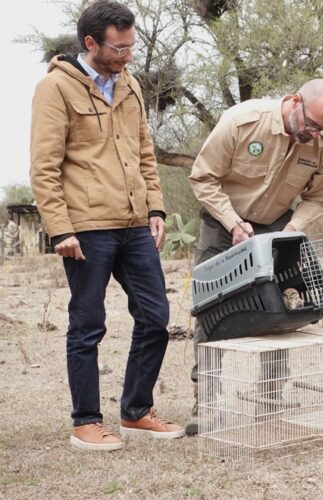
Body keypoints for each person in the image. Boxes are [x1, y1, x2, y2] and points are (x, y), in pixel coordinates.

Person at [30, 0, 185, 451]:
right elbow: (44, 166)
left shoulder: (130, 84)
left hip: (135, 223)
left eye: (131, 46)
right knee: (88, 323)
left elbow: (144, 153)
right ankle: (86, 422)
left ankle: (136, 412)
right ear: (91, 43)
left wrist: (155, 209)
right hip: (86, 227)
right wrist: (60, 228)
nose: (127, 56)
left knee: (156, 317)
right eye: (119, 49)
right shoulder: (56, 89)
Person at [187, 78, 323, 432]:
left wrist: (291, 230)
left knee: (280, 310)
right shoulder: (242, 122)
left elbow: (320, 197)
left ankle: (271, 397)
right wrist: (232, 222)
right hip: (223, 225)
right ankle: (206, 401)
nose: (315, 134)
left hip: (277, 228)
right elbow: (203, 177)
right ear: (293, 102)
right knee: (212, 313)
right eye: (311, 125)